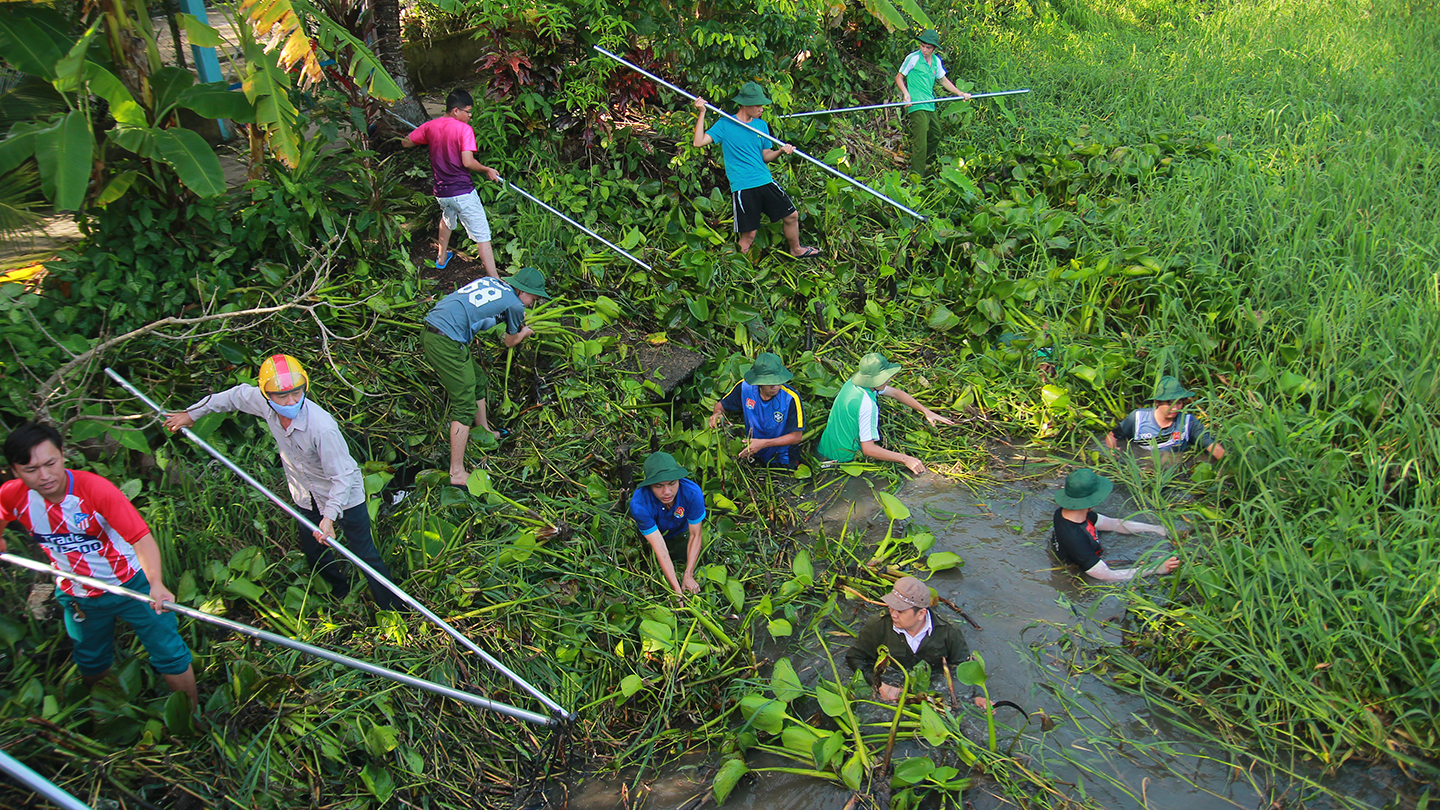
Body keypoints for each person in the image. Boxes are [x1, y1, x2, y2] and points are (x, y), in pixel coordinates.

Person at [165, 355, 403, 610]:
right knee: (314, 551)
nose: (291, 401)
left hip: (343, 496)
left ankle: (394, 608)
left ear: (304, 388)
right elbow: (233, 397)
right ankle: (339, 595)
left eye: (296, 393)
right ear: (267, 394)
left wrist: (330, 517)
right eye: (281, 396)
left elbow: (342, 477)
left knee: (363, 553)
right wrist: (192, 414)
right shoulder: (263, 403)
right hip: (305, 493)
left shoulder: (321, 427)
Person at [1, 422, 198, 710]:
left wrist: (156, 583)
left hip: (132, 584)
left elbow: (140, 538)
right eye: (31, 470)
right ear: (14, 470)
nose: (44, 476)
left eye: (50, 463)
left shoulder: (94, 491)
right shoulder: (13, 495)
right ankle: (108, 714)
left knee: (168, 652)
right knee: (90, 658)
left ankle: (191, 718)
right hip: (77, 592)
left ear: (63, 455)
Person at [420, 268, 549, 486]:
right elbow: (509, 341)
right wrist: (525, 332)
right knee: (464, 405)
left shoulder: (492, 282)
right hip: (445, 341)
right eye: (532, 298)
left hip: (436, 327)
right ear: (520, 290)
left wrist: (509, 316)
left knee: (478, 379)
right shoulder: (515, 304)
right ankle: (457, 472)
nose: (531, 304)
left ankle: (484, 431)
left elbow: (480, 311)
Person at [691, 82, 820, 258]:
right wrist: (702, 113)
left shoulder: (761, 126)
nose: (761, 109)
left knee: (791, 215)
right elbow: (698, 142)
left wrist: (781, 151)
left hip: (765, 180)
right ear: (745, 104)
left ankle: (796, 250)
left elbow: (765, 156)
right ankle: (732, 269)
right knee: (749, 235)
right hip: (743, 186)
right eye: (758, 105)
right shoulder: (725, 124)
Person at [402, 88, 503, 275]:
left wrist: (427, 138)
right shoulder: (464, 130)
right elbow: (468, 162)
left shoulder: (431, 126)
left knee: (447, 219)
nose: (470, 116)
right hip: (463, 192)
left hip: (442, 193)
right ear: (456, 111)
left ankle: (441, 258)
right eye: (468, 111)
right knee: (483, 236)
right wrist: (487, 169)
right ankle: (496, 280)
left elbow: (406, 142)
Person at [844, 576, 984, 706]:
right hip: (892, 686)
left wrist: (974, 697)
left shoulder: (949, 631)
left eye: (901, 611)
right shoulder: (877, 625)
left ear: (921, 614)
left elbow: (963, 669)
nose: (893, 614)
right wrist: (879, 685)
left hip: (932, 690)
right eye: (892, 607)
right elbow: (854, 658)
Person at [817, 353, 954, 474]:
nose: (889, 380)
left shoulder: (853, 383)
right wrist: (905, 459)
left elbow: (896, 393)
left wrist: (926, 411)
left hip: (824, 450)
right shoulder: (867, 405)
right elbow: (868, 449)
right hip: (843, 461)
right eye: (884, 378)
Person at [1051, 468, 1181, 581]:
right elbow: (1108, 575)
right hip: (1080, 566)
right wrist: (1154, 569)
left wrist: (1158, 529)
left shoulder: (1072, 512)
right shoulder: (1075, 540)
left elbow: (1114, 524)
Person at [628, 452, 706, 597]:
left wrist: (688, 575)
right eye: (658, 486)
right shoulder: (640, 504)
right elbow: (659, 547)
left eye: (672, 483)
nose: (667, 492)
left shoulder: (692, 493)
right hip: (655, 536)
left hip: (683, 532)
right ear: (649, 484)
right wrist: (676, 590)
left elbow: (696, 534)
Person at [707, 352, 805, 467]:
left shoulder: (791, 398)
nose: (775, 386)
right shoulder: (745, 388)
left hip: (783, 456)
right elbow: (719, 407)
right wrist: (717, 415)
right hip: (753, 451)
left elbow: (796, 437)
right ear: (759, 381)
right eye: (770, 383)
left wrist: (764, 443)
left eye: (778, 382)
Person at [894, 29, 970, 175]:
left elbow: (943, 80)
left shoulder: (936, 61)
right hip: (916, 105)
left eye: (928, 47)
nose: (924, 49)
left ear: (934, 48)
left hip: (930, 104)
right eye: (922, 46)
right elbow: (899, 77)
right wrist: (906, 94)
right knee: (920, 142)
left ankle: (920, 160)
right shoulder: (913, 58)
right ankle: (916, 175)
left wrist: (960, 93)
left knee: (936, 134)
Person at [1105, 375, 1226, 461]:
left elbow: (1212, 446)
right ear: (1157, 402)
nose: (1175, 408)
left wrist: (1230, 468)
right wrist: (1113, 450)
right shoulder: (1137, 419)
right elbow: (1112, 436)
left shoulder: (1188, 423)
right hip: (1143, 464)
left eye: (1179, 403)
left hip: (1174, 466)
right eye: (1170, 403)